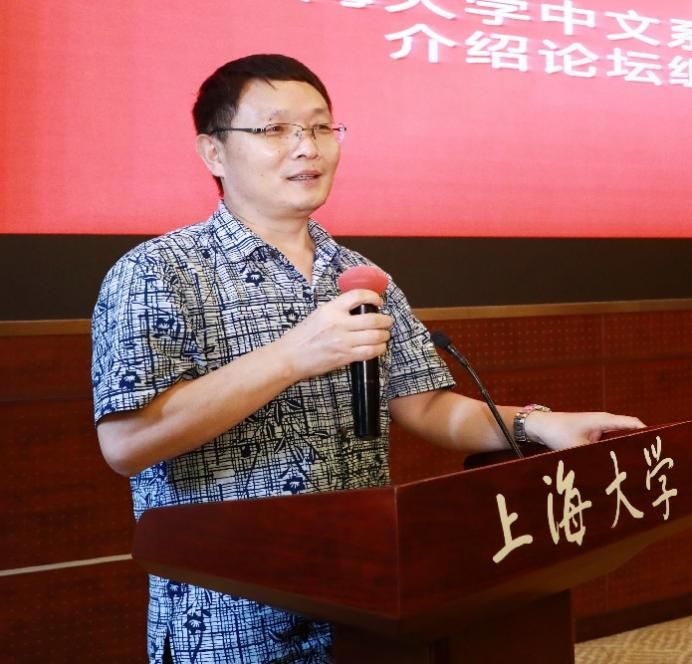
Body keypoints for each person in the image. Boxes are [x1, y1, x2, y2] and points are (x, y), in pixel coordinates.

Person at [91, 53, 644, 664]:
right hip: (230, 622)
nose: (307, 147)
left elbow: (426, 406)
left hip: (364, 608)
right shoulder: (158, 273)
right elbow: (127, 443)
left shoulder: (358, 275)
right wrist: (292, 356)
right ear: (213, 152)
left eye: (321, 127)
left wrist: (537, 423)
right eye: (275, 129)